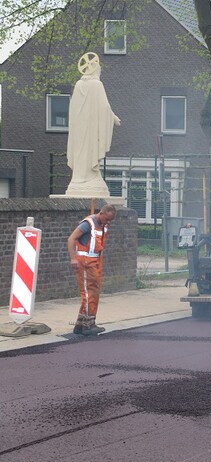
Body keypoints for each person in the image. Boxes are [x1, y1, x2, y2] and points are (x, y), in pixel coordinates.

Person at [65, 52, 121, 198]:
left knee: (80, 153)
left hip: (78, 129)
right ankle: (89, 178)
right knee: (90, 151)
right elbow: (104, 107)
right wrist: (113, 118)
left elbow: (73, 109)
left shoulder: (78, 85)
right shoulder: (97, 84)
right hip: (91, 130)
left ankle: (77, 180)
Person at [67, 204, 117, 336]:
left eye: (110, 220)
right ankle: (88, 325)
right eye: (106, 219)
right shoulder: (87, 224)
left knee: (93, 292)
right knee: (89, 293)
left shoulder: (102, 225)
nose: (108, 222)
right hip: (85, 262)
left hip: (95, 261)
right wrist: (73, 259)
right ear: (101, 213)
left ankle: (80, 324)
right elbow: (71, 238)